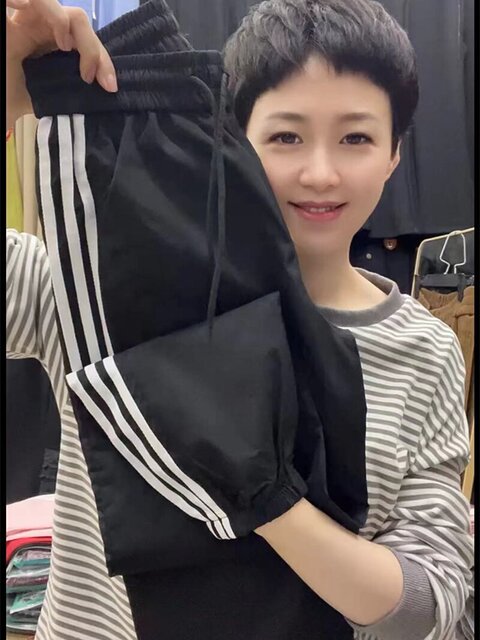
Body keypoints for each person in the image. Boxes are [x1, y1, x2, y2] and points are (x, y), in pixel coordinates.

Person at [6, 1, 473, 639]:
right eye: (286, 137)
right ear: (231, 141)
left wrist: (254, 486)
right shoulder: (104, 284)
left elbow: (429, 605)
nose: (320, 173)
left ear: (395, 155)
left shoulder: (424, 351)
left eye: (356, 138)